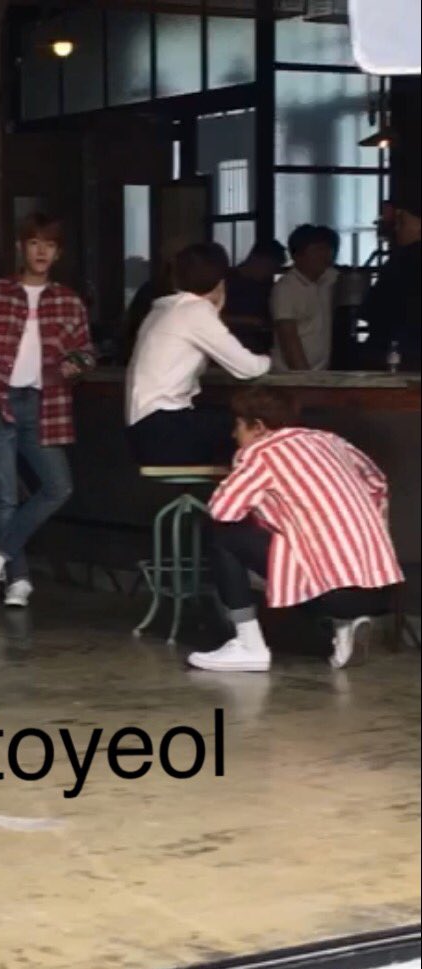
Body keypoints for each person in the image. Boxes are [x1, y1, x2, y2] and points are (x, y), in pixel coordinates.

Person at [187, 386, 403, 674]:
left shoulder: (260, 453)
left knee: (224, 536)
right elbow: (377, 482)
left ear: (258, 427)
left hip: (333, 594)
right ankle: (346, 626)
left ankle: (249, 645)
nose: (233, 434)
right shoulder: (330, 441)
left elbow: (222, 511)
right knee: (301, 551)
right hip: (380, 588)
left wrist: (260, 511)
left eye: (237, 426)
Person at [0, 212, 93, 609]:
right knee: (4, 496)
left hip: (43, 403)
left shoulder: (68, 300)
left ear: (58, 252)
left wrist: (74, 367)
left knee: (58, 486)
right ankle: (17, 579)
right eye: (34, 243)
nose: (41, 252)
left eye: (49, 245)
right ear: (22, 248)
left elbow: (85, 352)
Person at [125, 243, 270, 468]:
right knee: (255, 426)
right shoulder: (195, 310)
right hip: (164, 431)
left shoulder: (163, 308)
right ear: (221, 280)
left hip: (145, 431)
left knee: (230, 422)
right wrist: (272, 359)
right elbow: (249, 368)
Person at [361, 192, 421, 370]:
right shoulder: (402, 259)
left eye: (402, 222)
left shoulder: (406, 260)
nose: (396, 229)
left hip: (401, 351)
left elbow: (376, 309)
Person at [270, 224, 338, 372]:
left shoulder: (329, 278)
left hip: (321, 374)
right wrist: (305, 378)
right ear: (297, 256)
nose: (324, 255)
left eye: (327, 249)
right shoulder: (286, 288)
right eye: (317, 250)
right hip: (291, 376)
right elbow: (288, 338)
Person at [224, 240, 287, 355]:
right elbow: (211, 316)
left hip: (261, 349)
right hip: (229, 347)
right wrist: (251, 321)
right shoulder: (226, 281)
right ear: (255, 259)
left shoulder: (268, 286)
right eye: (269, 266)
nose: (270, 272)